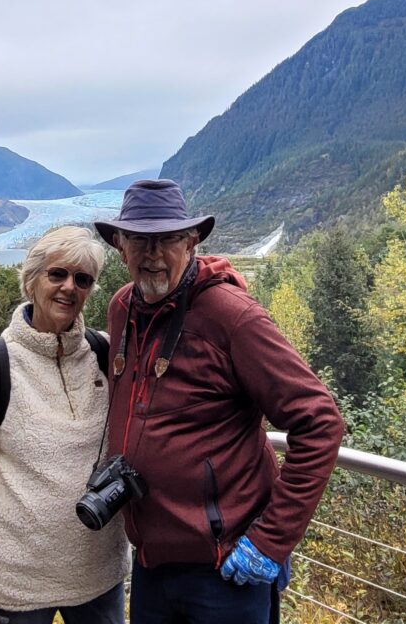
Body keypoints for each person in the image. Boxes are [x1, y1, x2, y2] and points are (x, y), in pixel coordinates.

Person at [94, 179, 344, 624]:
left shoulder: (232, 317)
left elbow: (320, 422)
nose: (152, 253)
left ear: (191, 242)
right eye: (139, 239)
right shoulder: (121, 309)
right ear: (120, 246)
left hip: (225, 572)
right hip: (151, 563)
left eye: (167, 238)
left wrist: (270, 542)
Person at [0, 226, 131, 624]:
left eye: (83, 279)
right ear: (31, 280)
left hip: (98, 579)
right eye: (56, 274)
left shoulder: (104, 354)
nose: (69, 287)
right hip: (15, 588)